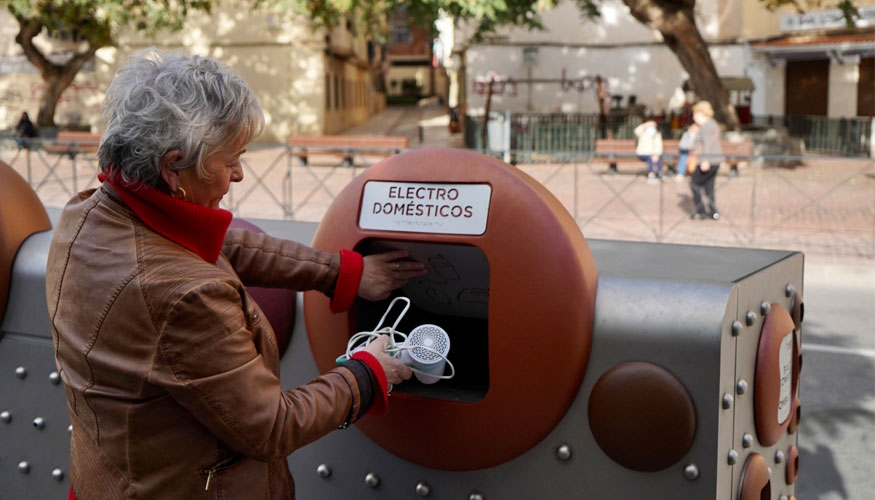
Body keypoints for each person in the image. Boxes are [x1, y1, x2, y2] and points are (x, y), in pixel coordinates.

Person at [46, 50, 426, 499]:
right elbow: (272, 426)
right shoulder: (182, 295)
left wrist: (343, 272)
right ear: (174, 168)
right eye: (231, 161)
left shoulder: (89, 213)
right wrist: (367, 372)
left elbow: (221, 245)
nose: (241, 174)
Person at [689, 101, 723, 220]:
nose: (693, 117)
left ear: (700, 113)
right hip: (715, 160)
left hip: (707, 160)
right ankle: (713, 212)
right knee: (709, 187)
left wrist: (705, 160)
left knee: (694, 184)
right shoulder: (713, 124)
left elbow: (707, 144)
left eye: (695, 113)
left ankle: (701, 211)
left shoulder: (706, 126)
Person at [633, 119, 663, 183]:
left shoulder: (657, 134)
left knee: (657, 158)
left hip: (653, 154)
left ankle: (659, 173)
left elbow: (659, 146)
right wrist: (646, 124)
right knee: (650, 158)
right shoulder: (642, 132)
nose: (652, 126)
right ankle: (651, 175)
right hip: (642, 153)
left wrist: (656, 154)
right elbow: (636, 131)